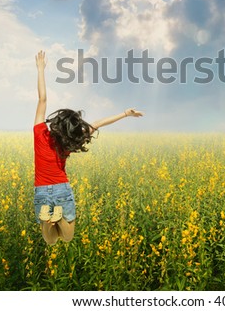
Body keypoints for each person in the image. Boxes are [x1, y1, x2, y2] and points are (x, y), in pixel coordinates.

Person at [34, 50, 143, 245]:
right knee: (67, 237)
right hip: (61, 188)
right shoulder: (68, 143)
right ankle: (56, 218)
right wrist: (125, 113)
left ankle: (48, 220)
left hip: (41, 190)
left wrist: (40, 68)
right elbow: (98, 123)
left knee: (50, 241)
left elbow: (42, 99)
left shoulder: (39, 134)